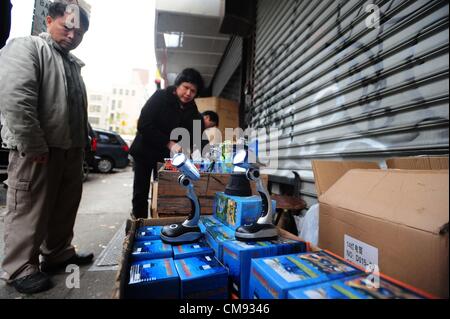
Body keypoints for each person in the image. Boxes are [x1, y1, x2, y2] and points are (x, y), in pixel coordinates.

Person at [0, 1, 93, 294]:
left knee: (64, 207)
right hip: (38, 149)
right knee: (28, 208)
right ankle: (18, 268)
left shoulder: (71, 63)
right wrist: (33, 143)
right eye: (67, 27)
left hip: (68, 150)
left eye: (79, 33)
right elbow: (16, 99)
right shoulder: (27, 48)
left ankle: (57, 253)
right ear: (49, 20)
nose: (72, 36)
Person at [129, 68, 205, 219]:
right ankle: (139, 224)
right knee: (141, 192)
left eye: (193, 91)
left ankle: (158, 225)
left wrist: (207, 153)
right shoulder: (160, 97)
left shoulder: (193, 112)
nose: (188, 93)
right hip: (145, 151)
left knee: (164, 192)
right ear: (177, 85)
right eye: (186, 87)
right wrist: (168, 143)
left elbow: (198, 137)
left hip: (166, 159)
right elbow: (144, 124)